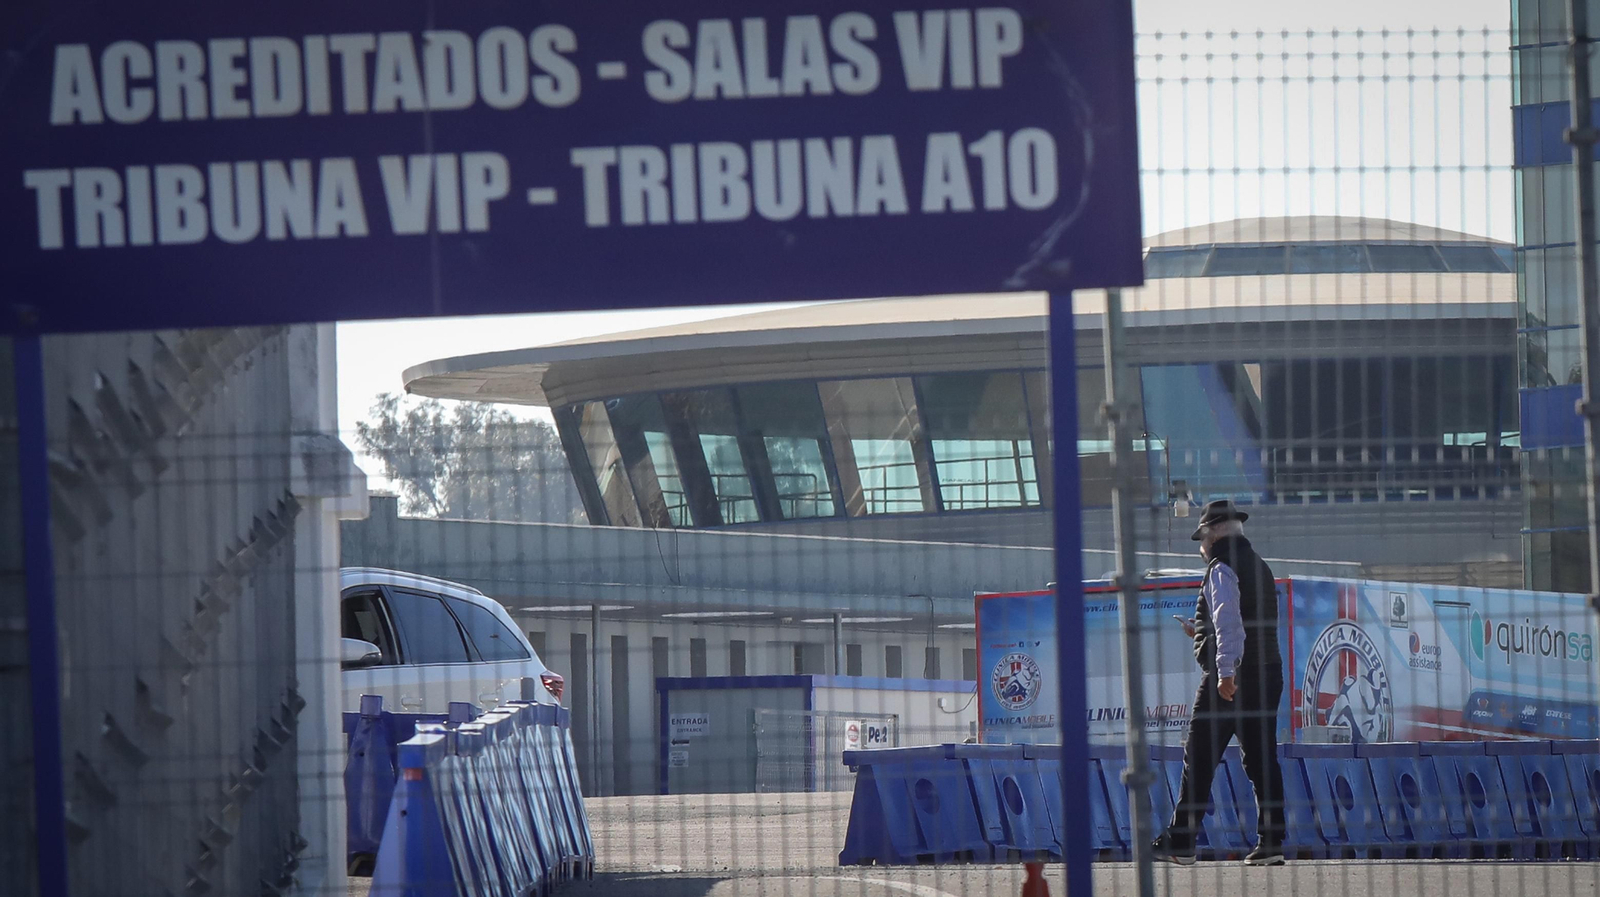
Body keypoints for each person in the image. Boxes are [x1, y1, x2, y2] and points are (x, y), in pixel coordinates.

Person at [1152, 499, 1286, 866]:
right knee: (1262, 760)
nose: (1200, 547)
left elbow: (1230, 623)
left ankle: (1181, 841)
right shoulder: (1261, 566)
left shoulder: (1220, 568)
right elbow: (1247, 619)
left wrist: (1225, 671)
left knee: (1199, 756)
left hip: (1232, 677)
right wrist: (1202, 634)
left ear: (1211, 536)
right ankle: (1271, 843)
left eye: (1201, 538)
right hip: (1268, 672)